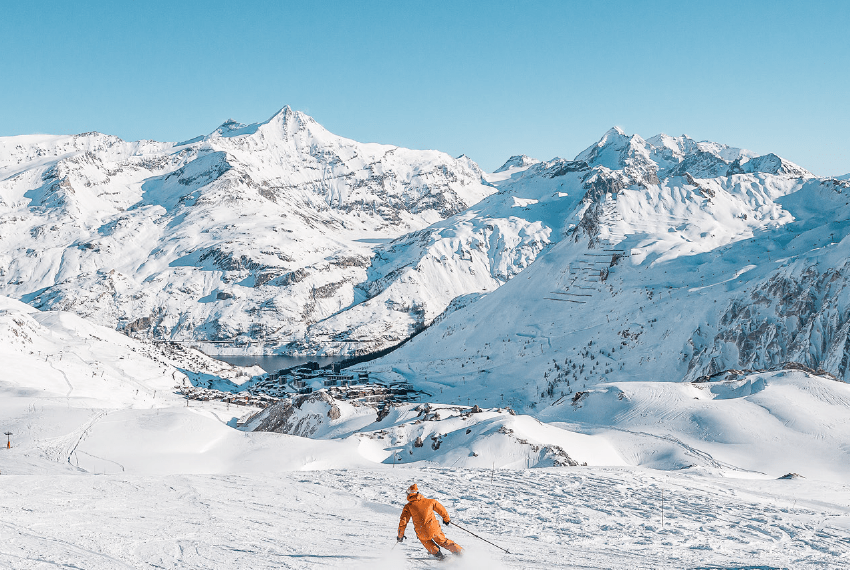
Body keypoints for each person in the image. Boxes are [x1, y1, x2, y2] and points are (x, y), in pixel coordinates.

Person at [397, 483, 463, 559]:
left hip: (421, 532)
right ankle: (460, 552)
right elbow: (441, 510)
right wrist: (446, 519)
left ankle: (439, 556)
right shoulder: (430, 501)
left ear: (409, 494)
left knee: (427, 543)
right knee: (443, 541)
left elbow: (403, 522)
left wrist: (400, 536)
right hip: (433, 529)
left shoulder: (408, 506)